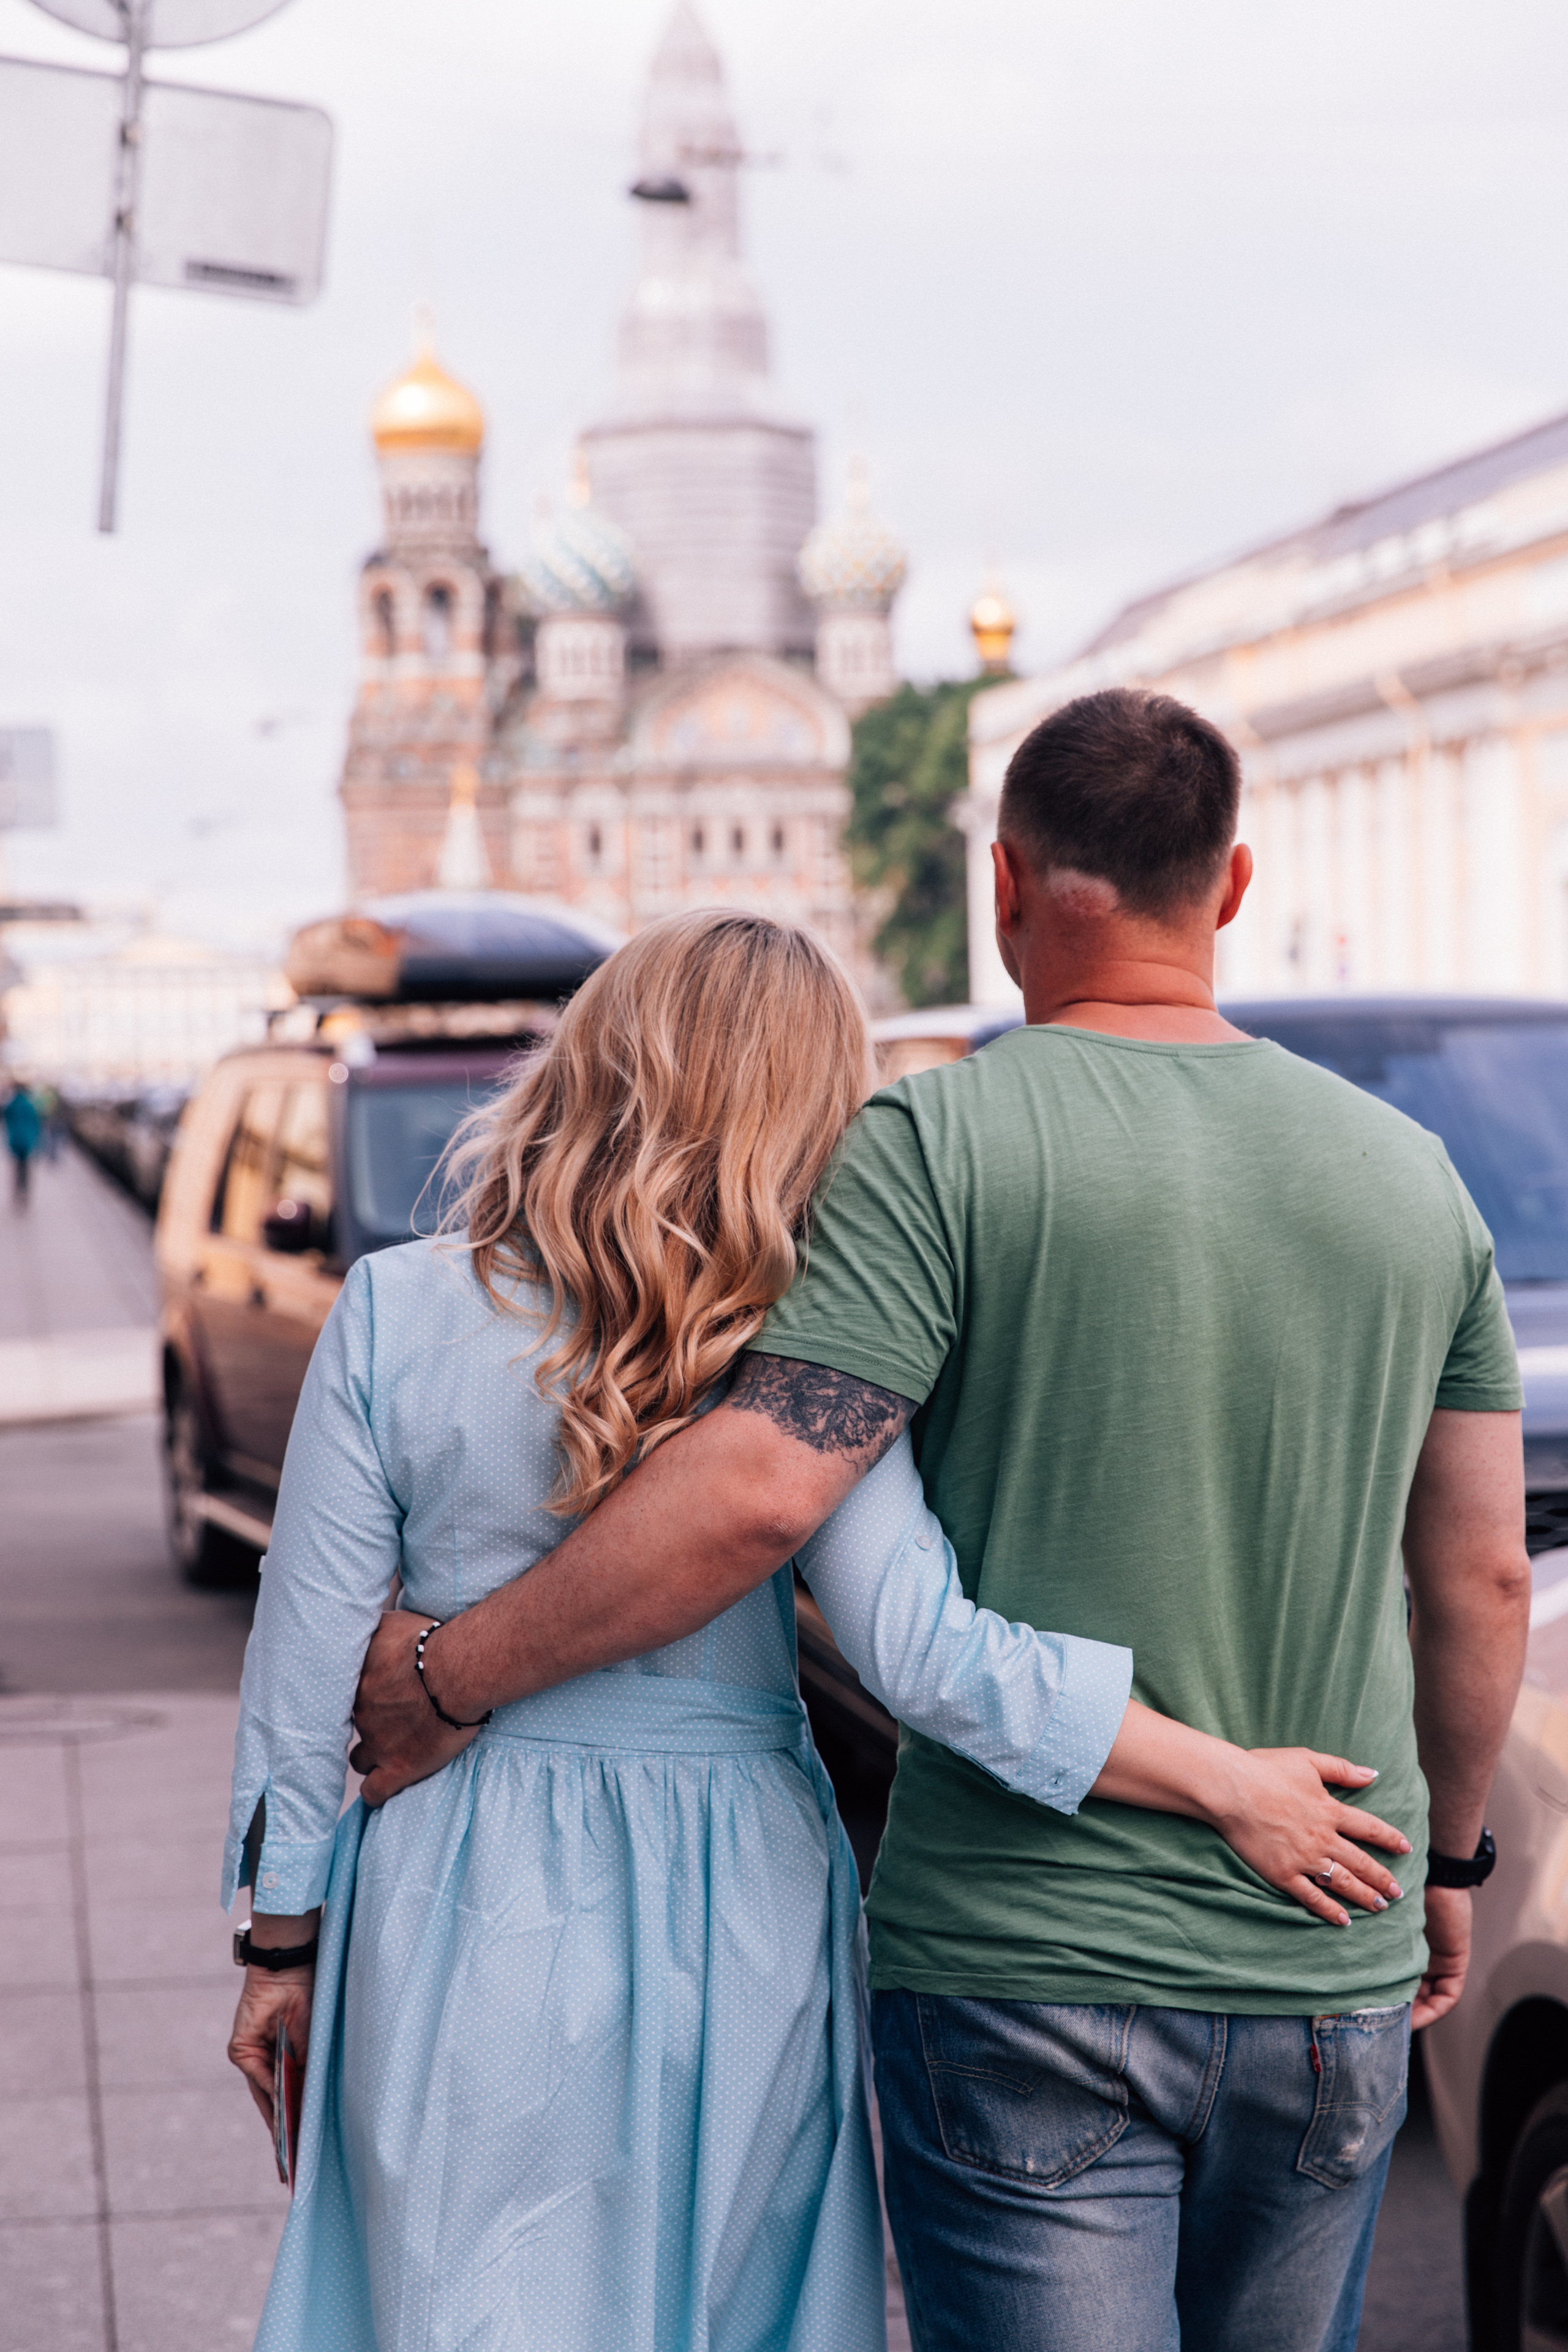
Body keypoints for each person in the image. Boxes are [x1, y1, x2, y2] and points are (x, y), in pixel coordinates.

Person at [352, 689, 1532, 2352]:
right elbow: (1480, 1576)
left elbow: (764, 1482)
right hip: (1327, 1945)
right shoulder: (1414, 1177)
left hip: (1024, 1963)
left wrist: (453, 1672)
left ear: (1008, 885)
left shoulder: (940, 1141)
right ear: (1238, 881)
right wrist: (1456, 1854)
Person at [3, 1078, 41, 1206]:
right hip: (28, 1142)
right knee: (26, 1169)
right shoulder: (31, 1105)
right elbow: (36, 1124)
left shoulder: (12, 1104)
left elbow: (6, 1118)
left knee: (17, 1168)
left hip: (15, 1141)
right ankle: (25, 1192)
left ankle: (16, 1192)